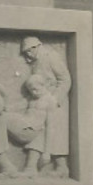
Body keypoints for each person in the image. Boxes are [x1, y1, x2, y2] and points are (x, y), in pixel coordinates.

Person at [19, 36, 72, 176]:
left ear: (35, 47)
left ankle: (61, 167)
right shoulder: (36, 61)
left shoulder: (51, 57)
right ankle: (32, 167)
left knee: (56, 134)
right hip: (42, 102)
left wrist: (55, 99)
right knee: (42, 131)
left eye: (27, 52)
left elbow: (65, 79)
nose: (27, 55)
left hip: (55, 102)